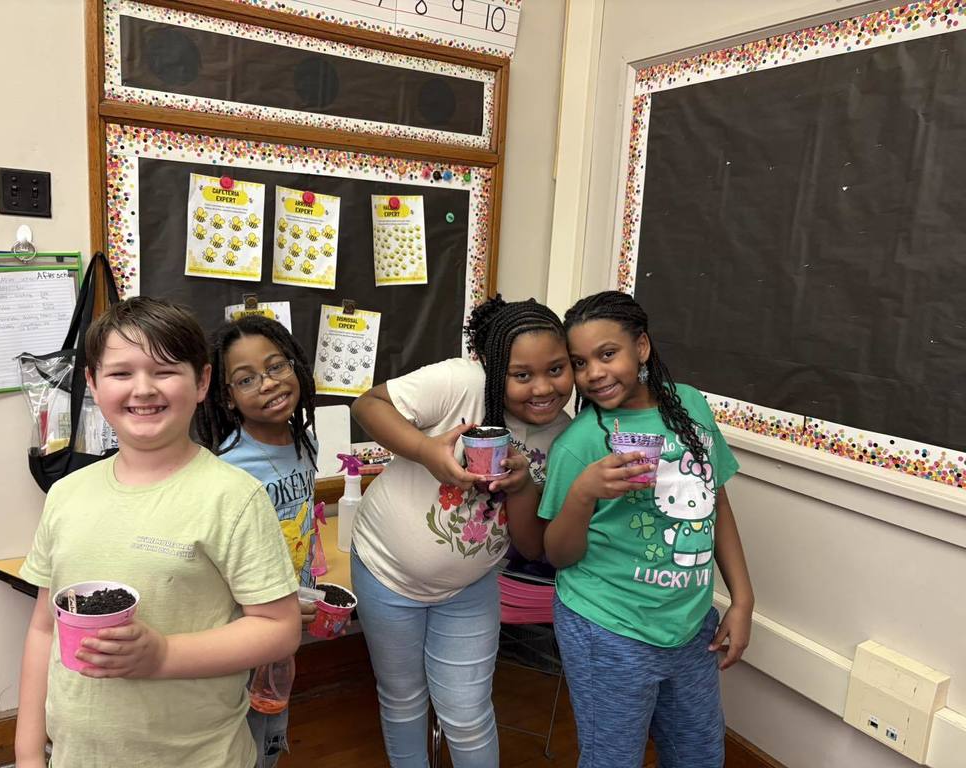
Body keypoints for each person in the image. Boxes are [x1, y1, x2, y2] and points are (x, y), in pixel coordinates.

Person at [15, 297, 301, 768]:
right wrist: (27, 751)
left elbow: (279, 629)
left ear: (203, 381)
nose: (143, 389)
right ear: (92, 382)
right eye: (121, 373)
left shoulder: (233, 497)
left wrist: (162, 655)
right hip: (77, 755)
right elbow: (45, 627)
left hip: (197, 755)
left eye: (165, 370)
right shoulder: (66, 495)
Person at [350, 296, 574, 767]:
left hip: (469, 589)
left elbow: (533, 546)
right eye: (521, 375)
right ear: (493, 369)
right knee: (404, 698)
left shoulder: (565, 437)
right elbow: (367, 405)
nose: (542, 388)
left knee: (468, 714)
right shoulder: (460, 383)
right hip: (385, 570)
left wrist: (521, 488)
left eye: (557, 370)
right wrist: (427, 451)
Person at [539, 290, 754, 768]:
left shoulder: (691, 407)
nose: (593, 373)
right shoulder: (580, 444)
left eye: (607, 353)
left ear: (642, 347)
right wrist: (583, 492)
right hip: (608, 627)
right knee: (612, 759)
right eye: (579, 362)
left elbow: (716, 504)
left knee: (699, 755)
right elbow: (557, 554)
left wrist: (742, 600)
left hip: (690, 624)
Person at [195, 314, 319, 767]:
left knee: (272, 724)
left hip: (291, 610)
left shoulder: (306, 442)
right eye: (247, 379)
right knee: (238, 732)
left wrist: (309, 587)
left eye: (276, 367)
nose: (268, 384)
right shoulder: (225, 467)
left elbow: (304, 519)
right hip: (245, 619)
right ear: (227, 397)